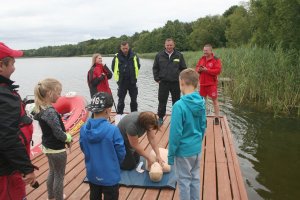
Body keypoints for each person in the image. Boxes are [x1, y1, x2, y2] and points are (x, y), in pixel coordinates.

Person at [0, 42, 37, 200]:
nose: (14, 67)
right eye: (13, 63)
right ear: (1, 65)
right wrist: (26, 168)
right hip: (7, 172)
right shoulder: (5, 96)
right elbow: (6, 136)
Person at [168, 68, 206, 200]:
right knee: (195, 178)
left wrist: (171, 154)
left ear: (182, 83)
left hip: (183, 151)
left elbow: (175, 133)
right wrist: (198, 142)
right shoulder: (201, 101)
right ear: (196, 84)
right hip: (196, 149)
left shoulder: (179, 105)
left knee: (184, 181)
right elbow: (203, 125)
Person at [80, 92, 126, 200]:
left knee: (94, 196)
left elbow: (83, 147)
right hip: (110, 174)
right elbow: (121, 152)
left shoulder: (83, 129)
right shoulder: (113, 129)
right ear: (108, 110)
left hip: (92, 172)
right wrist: (115, 163)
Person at [33, 78, 72, 200]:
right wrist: (68, 137)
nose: (60, 96)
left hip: (48, 147)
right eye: (58, 93)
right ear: (50, 93)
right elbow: (58, 133)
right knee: (59, 175)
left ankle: (51, 196)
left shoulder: (40, 108)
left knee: (52, 172)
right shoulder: (50, 112)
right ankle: (59, 197)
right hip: (57, 150)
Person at [153, 38, 187, 125]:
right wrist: (157, 79)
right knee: (162, 100)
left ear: (173, 45)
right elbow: (155, 68)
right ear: (165, 45)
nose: (169, 47)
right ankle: (160, 118)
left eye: (170, 45)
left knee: (176, 101)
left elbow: (183, 68)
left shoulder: (179, 55)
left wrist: (182, 80)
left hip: (175, 82)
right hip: (163, 82)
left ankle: (176, 118)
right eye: (167, 45)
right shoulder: (159, 55)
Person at [195, 44, 222, 125]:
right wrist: (199, 70)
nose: (205, 52)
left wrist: (207, 70)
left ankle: (216, 117)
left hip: (211, 84)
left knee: (215, 101)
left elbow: (218, 71)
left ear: (211, 51)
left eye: (206, 50)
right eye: (204, 50)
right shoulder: (202, 59)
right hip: (202, 84)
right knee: (203, 102)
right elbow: (196, 68)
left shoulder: (216, 60)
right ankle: (204, 118)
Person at [111, 41, 141, 114]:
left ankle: (134, 115)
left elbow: (138, 66)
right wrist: (119, 79)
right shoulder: (116, 57)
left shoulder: (134, 56)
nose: (125, 50)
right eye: (123, 48)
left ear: (129, 47)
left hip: (132, 82)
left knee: (134, 100)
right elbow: (113, 68)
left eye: (126, 48)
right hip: (122, 82)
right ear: (121, 48)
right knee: (121, 101)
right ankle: (119, 116)